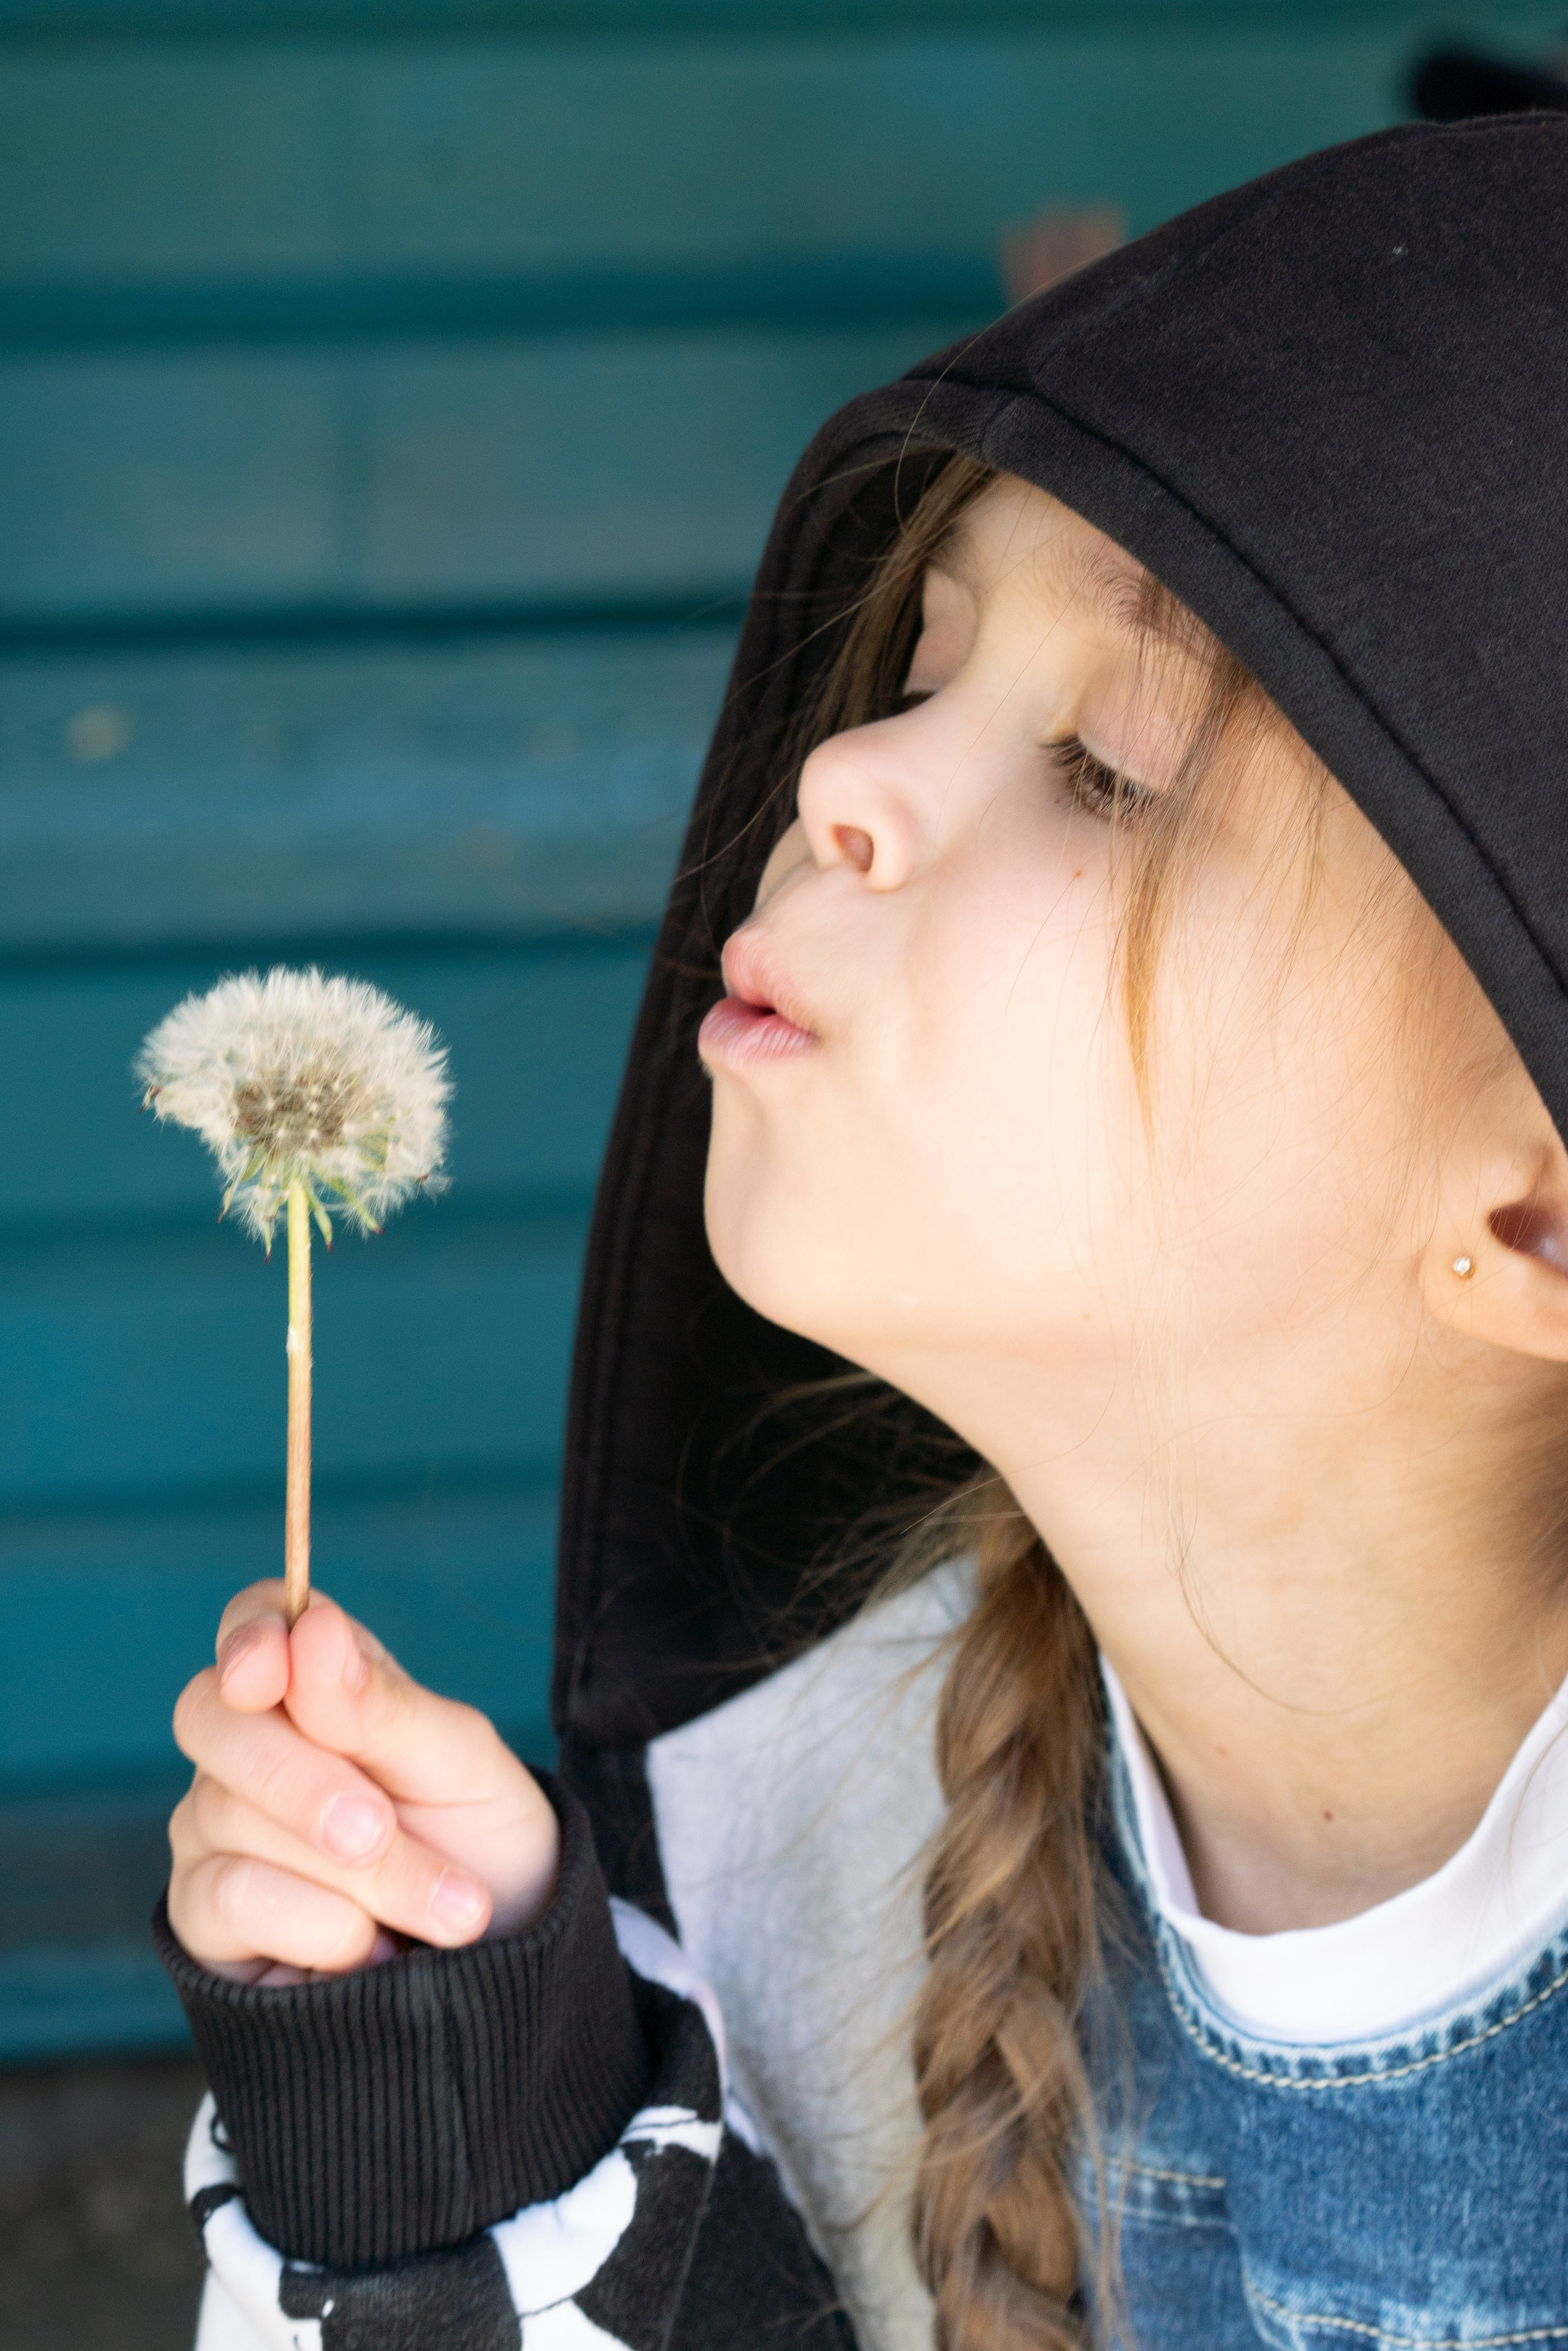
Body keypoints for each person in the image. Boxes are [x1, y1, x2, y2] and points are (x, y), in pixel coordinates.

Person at [154, 118, 1568, 2350]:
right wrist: (481, 2135)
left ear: (1537, 1208)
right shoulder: (809, 1868)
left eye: (1104, 762)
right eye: (919, 668)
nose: (848, 777)